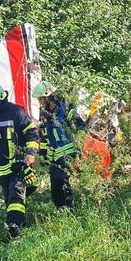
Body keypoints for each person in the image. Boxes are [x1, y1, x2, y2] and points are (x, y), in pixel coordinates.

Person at [0, 83, 39, 238]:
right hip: (1, 167)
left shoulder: (16, 112)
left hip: (18, 163)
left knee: (16, 196)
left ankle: (14, 227)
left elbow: (31, 132)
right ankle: (17, 222)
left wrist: (31, 153)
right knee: (9, 197)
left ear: (0, 100)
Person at [32, 81, 86, 210]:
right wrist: (44, 154)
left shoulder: (65, 109)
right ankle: (62, 209)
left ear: (49, 96)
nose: (40, 101)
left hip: (68, 153)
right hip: (54, 156)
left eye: (41, 98)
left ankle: (69, 208)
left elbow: (80, 127)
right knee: (55, 184)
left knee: (62, 180)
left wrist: (80, 150)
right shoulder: (44, 113)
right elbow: (45, 136)